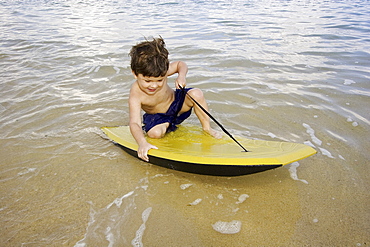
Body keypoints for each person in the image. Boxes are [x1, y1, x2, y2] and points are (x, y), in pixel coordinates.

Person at [129, 37, 222, 161]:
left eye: (160, 80)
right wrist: (142, 143)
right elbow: (134, 122)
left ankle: (207, 128)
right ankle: (168, 124)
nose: (154, 85)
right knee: (154, 134)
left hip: (177, 106)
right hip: (159, 117)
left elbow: (180, 64)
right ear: (135, 74)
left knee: (196, 94)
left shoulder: (161, 70)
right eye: (147, 81)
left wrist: (181, 76)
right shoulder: (136, 93)